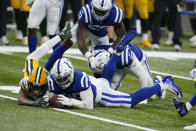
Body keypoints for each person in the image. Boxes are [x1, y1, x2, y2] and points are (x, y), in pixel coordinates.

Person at [47, 30, 182, 109]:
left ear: (70, 74)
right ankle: (117, 53)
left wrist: (72, 102)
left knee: (130, 101)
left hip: (100, 93)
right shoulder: (53, 80)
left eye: (64, 77)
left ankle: (163, 85)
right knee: (105, 80)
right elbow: (47, 94)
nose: (62, 81)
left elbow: (88, 106)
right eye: (60, 79)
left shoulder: (80, 80)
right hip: (99, 80)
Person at [18, 23, 72, 107]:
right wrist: (33, 103)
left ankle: (62, 39)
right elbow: (20, 99)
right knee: (35, 58)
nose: (36, 91)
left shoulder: (50, 83)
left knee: (35, 56)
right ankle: (62, 40)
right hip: (32, 71)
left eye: (38, 88)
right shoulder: (26, 82)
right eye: (34, 88)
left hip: (40, 73)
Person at [76, 0, 126, 67]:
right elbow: (80, 40)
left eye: (102, 12)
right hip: (85, 27)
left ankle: (98, 76)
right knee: (67, 41)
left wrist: (110, 51)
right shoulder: (86, 12)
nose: (99, 14)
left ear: (109, 9)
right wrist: (89, 57)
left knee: (102, 60)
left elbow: (121, 36)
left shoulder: (115, 13)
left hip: (99, 33)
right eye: (97, 10)